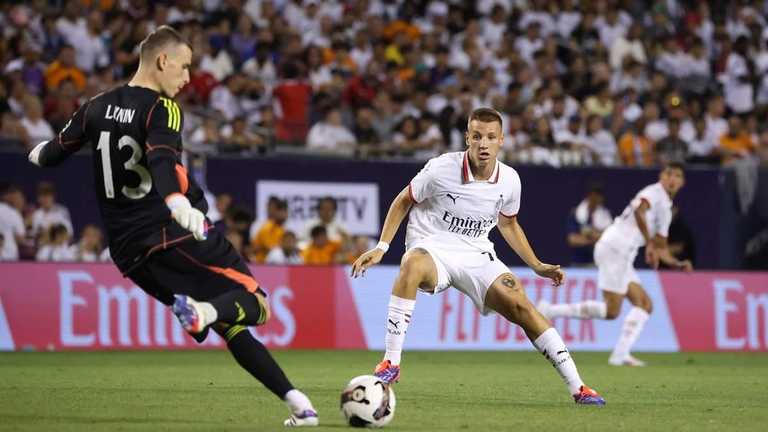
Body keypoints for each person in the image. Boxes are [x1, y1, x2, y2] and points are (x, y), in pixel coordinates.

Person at [26, 25, 318, 427]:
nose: (187, 78)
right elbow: (162, 159)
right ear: (162, 61)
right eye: (184, 67)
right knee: (257, 304)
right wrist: (178, 203)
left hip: (129, 255)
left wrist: (36, 153)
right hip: (171, 233)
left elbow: (51, 154)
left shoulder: (94, 106)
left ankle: (298, 403)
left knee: (227, 323)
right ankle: (202, 311)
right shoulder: (161, 108)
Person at [351, 108, 605, 406]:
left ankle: (578, 387)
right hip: (433, 246)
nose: (483, 143)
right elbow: (404, 200)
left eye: (490, 137)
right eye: (477, 136)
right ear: (467, 138)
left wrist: (536, 265)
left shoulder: (510, 180)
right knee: (412, 263)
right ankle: (391, 362)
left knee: (521, 305)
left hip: (477, 252)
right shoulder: (440, 168)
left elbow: (508, 224)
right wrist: (382, 247)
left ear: (502, 140)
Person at [538, 163, 692, 366]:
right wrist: (650, 244)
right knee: (612, 311)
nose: (672, 178)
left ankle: (620, 354)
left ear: (682, 182)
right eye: (668, 173)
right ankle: (550, 311)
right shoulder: (654, 192)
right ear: (661, 176)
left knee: (645, 305)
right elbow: (639, 212)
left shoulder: (666, 209)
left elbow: (661, 247)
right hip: (615, 248)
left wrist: (678, 264)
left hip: (623, 255)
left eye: (677, 175)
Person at [566, 184, 612, 266]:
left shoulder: (606, 216)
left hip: (598, 263)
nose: (595, 199)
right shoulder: (575, 213)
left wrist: (588, 236)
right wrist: (595, 238)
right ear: (588, 195)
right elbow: (572, 240)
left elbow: (609, 239)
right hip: (578, 263)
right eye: (593, 195)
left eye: (598, 195)